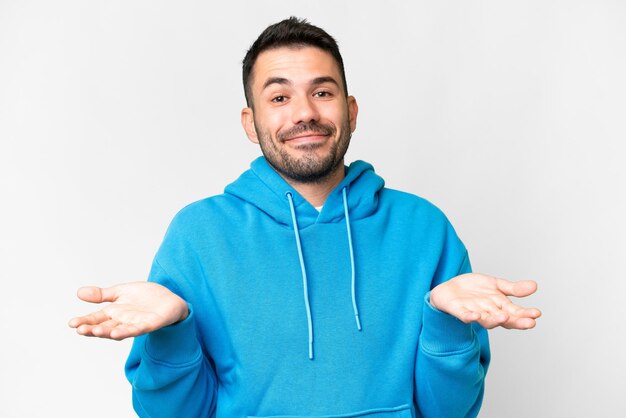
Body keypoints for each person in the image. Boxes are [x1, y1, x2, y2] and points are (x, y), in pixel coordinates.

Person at [69, 17, 541, 418]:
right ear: (250, 123)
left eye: (323, 92)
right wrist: (171, 335)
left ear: (351, 111)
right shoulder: (198, 234)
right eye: (279, 98)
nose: (305, 113)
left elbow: (449, 411)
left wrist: (446, 324)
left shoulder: (423, 227)